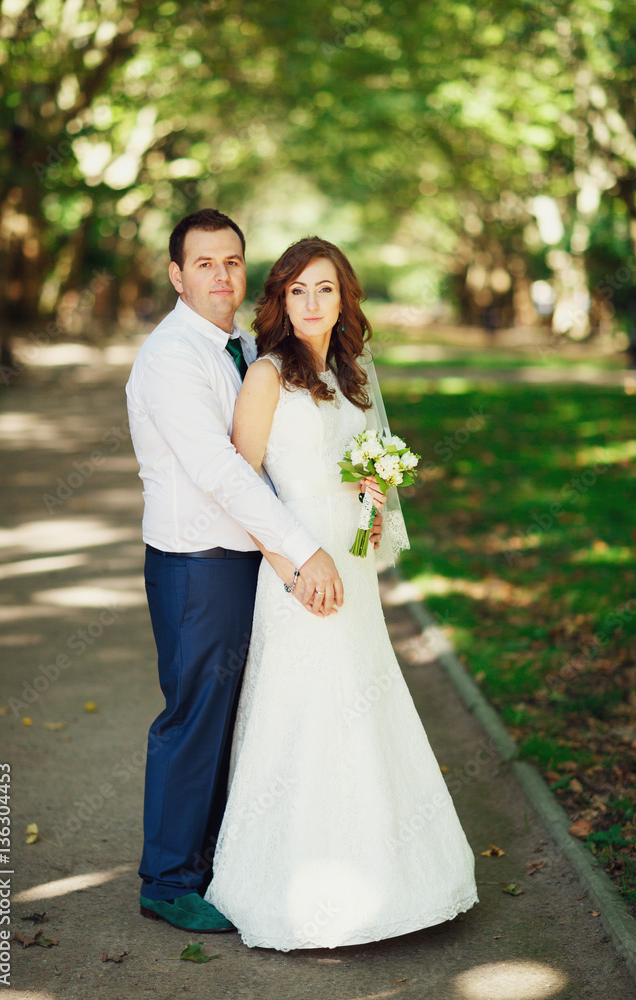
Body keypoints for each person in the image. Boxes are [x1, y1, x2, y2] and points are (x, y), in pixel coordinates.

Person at [205, 237, 478, 950]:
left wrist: (372, 489)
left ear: (343, 297)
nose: (311, 302)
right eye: (297, 290)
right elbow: (242, 486)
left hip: (349, 563)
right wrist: (293, 566)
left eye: (324, 288)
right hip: (297, 563)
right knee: (303, 710)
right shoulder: (266, 376)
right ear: (280, 300)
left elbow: (365, 469)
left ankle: (392, 879)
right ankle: (297, 886)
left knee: (363, 698)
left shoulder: (354, 375)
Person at [126, 210, 383, 934]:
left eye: (232, 261)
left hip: (247, 558)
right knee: (193, 715)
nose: (221, 275)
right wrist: (305, 549)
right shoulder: (173, 355)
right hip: (195, 561)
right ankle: (168, 879)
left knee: (238, 714)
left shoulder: (241, 344)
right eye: (204, 263)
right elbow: (222, 473)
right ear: (177, 275)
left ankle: (209, 860)